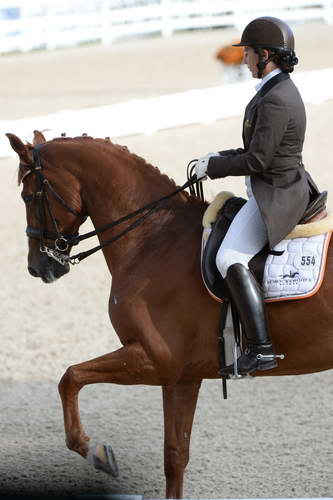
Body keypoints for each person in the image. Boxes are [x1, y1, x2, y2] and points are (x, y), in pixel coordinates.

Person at [195, 16, 320, 375]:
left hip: (279, 193)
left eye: (248, 53)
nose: (245, 60)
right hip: (275, 185)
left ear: (265, 55)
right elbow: (258, 147)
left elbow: (259, 159)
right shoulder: (273, 90)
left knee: (229, 256)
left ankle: (261, 349)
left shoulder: (276, 98)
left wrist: (216, 167)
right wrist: (215, 158)